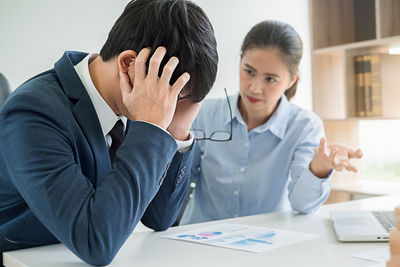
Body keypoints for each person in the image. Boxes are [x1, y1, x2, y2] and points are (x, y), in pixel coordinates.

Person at [0, 0, 218, 265]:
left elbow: (160, 218)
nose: (169, 107)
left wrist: (176, 130)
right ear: (129, 64)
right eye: (172, 95)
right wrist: (150, 128)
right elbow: (96, 242)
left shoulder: (136, 104)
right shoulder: (32, 113)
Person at [179, 20, 362, 225]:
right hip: (200, 240)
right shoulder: (204, 113)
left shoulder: (304, 126)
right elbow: (179, 184)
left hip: (265, 243)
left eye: (270, 79)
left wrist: (318, 168)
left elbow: (303, 205)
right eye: (249, 72)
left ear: (291, 80)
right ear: (240, 62)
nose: (255, 88)